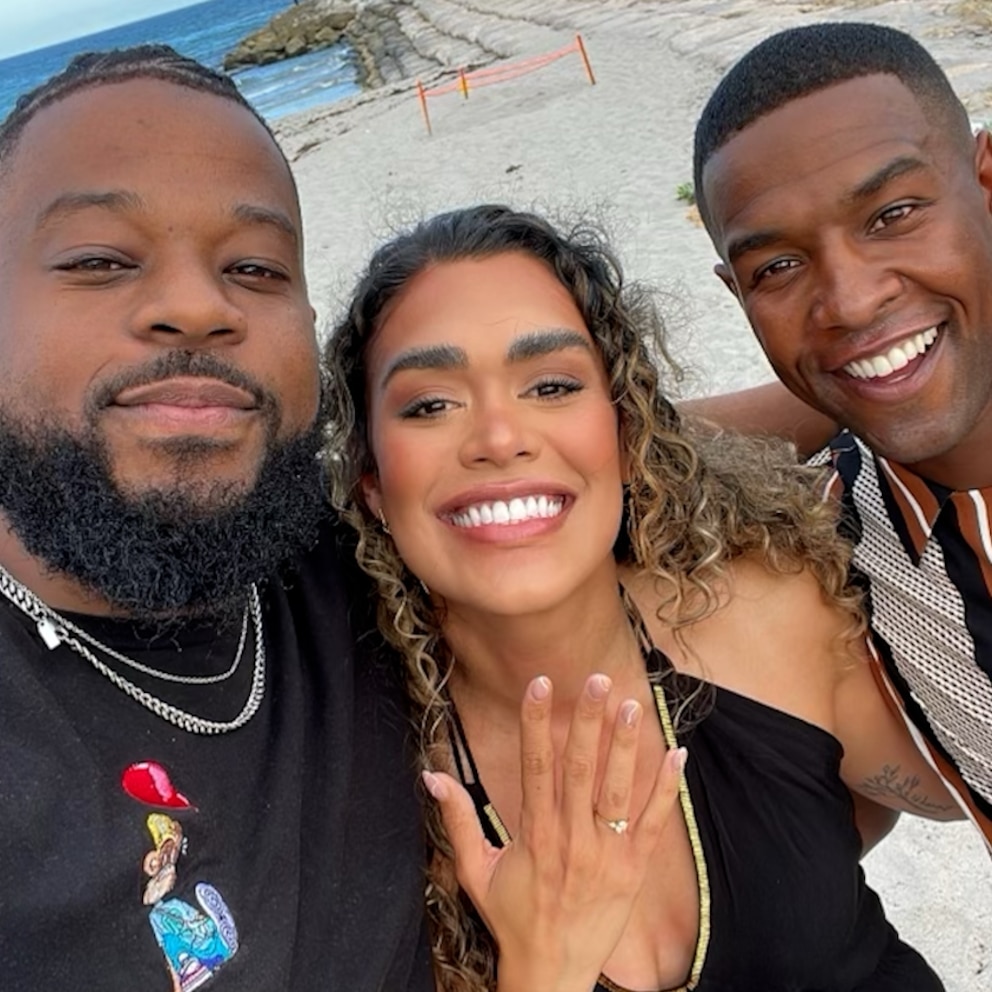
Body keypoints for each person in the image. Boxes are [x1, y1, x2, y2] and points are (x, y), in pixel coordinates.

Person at [323, 203, 954, 991]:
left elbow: (939, 788)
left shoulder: (769, 611)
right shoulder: (362, 791)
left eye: (551, 386)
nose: (499, 438)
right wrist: (543, 967)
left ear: (628, 437)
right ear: (370, 483)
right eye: (429, 405)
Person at [0, 46, 432, 991]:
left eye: (255, 267)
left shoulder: (369, 552)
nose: (198, 306)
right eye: (99, 260)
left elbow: (590, 460)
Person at [691, 21, 992, 846]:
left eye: (892, 214)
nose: (851, 301)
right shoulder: (840, 552)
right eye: (778, 268)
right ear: (737, 295)